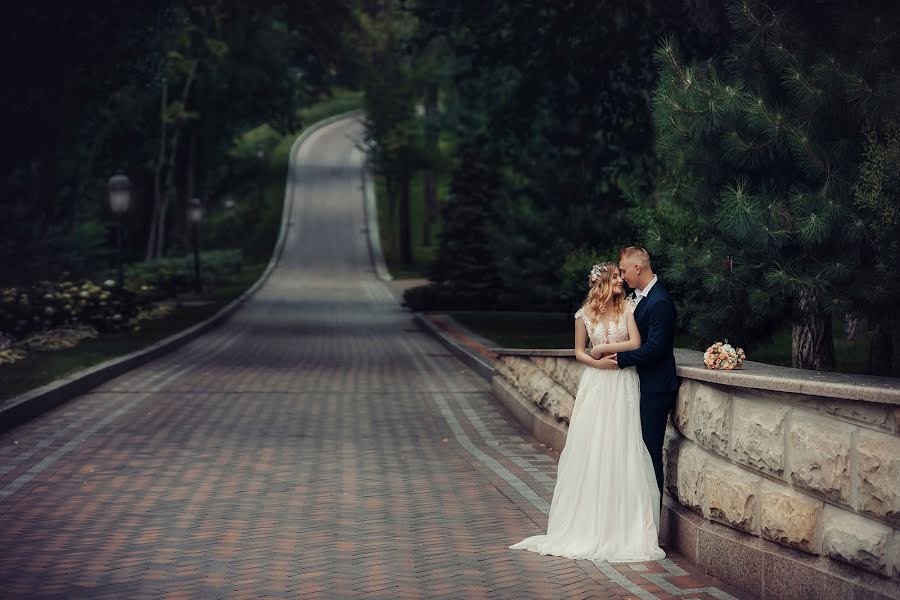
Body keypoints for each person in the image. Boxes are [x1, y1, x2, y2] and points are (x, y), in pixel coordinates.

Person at [509, 262, 665, 562]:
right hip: (597, 383)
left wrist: (605, 350)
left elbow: (635, 342)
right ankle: (587, 523)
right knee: (593, 445)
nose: (621, 280)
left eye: (622, 276)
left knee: (623, 443)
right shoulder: (584, 315)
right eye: (617, 277)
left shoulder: (628, 308)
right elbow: (579, 351)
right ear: (604, 282)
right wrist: (596, 361)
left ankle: (625, 527)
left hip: (622, 381)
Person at [593, 246, 678, 495]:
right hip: (639, 386)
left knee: (649, 453)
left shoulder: (660, 302)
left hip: (656, 389)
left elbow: (654, 349)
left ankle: (653, 524)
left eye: (623, 270)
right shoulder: (639, 298)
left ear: (637, 268)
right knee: (635, 453)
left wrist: (618, 359)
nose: (622, 276)